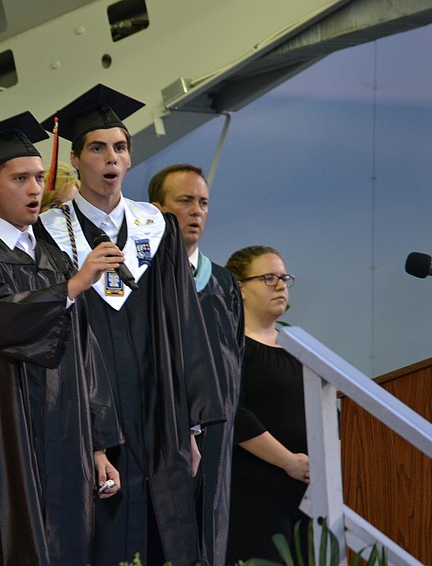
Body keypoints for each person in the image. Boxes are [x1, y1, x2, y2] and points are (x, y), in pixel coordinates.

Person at [37, 84, 224, 566]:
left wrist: (190, 426)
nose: (110, 159)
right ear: (76, 160)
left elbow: (183, 326)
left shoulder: (155, 227)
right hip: (89, 412)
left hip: (157, 410)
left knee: (167, 532)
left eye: (119, 147)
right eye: (97, 148)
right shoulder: (48, 237)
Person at [0, 111, 122, 565]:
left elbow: (84, 350)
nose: (35, 189)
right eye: (20, 178)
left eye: (40, 177)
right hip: (0, 423)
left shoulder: (54, 254)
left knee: (67, 537)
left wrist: (97, 444)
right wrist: (73, 287)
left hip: (65, 425)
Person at [149, 163, 244, 566]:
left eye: (203, 203)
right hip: (161, 432)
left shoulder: (222, 283)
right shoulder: (142, 278)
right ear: (157, 209)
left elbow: (236, 359)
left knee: (211, 537)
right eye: (185, 201)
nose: (196, 211)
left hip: (218, 435)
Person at [224, 246, 309, 563]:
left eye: (285, 277)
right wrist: (289, 461)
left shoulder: (300, 348)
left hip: (309, 496)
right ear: (240, 288)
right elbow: (235, 413)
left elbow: (328, 410)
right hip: (255, 497)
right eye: (269, 277)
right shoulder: (229, 345)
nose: (281, 285)